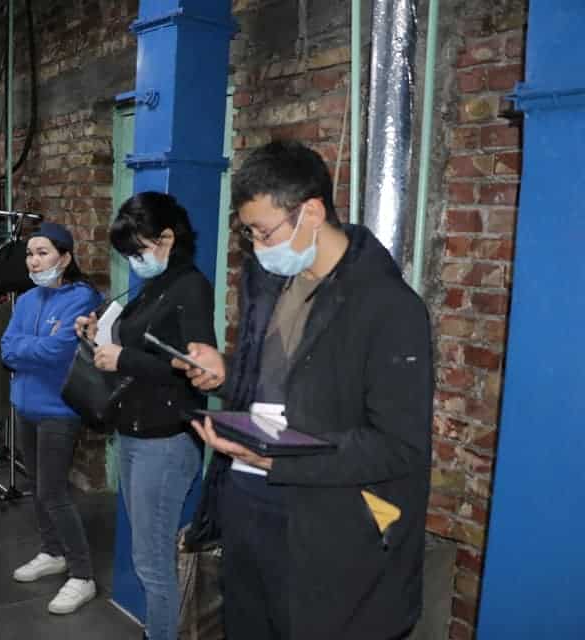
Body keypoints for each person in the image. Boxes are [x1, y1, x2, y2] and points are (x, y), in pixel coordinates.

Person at [178, 140, 433, 639]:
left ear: (312, 212)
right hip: (248, 505)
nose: (257, 246)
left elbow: (398, 446)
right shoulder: (271, 285)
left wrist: (279, 457)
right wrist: (227, 373)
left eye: (264, 231)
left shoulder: (388, 307)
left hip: (325, 527)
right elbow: (282, 386)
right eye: (249, 232)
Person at [75, 192, 216, 640]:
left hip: (167, 439)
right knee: (147, 558)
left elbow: (197, 370)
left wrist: (125, 359)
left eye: (137, 251)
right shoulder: (154, 285)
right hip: (136, 432)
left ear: (167, 238)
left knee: (153, 564)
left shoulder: (189, 286)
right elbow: (136, 346)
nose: (133, 262)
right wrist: (97, 337)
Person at [1, 222, 102, 615]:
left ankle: (82, 574)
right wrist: (34, 347)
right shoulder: (27, 299)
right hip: (25, 405)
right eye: (30, 254)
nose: (34, 261)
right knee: (37, 485)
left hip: (59, 410)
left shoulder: (83, 297)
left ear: (65, 256)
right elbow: (7, 349)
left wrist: (29, 348)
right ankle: (52, 551)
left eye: (43, 253)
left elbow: (60, 351)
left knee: (53, 492)